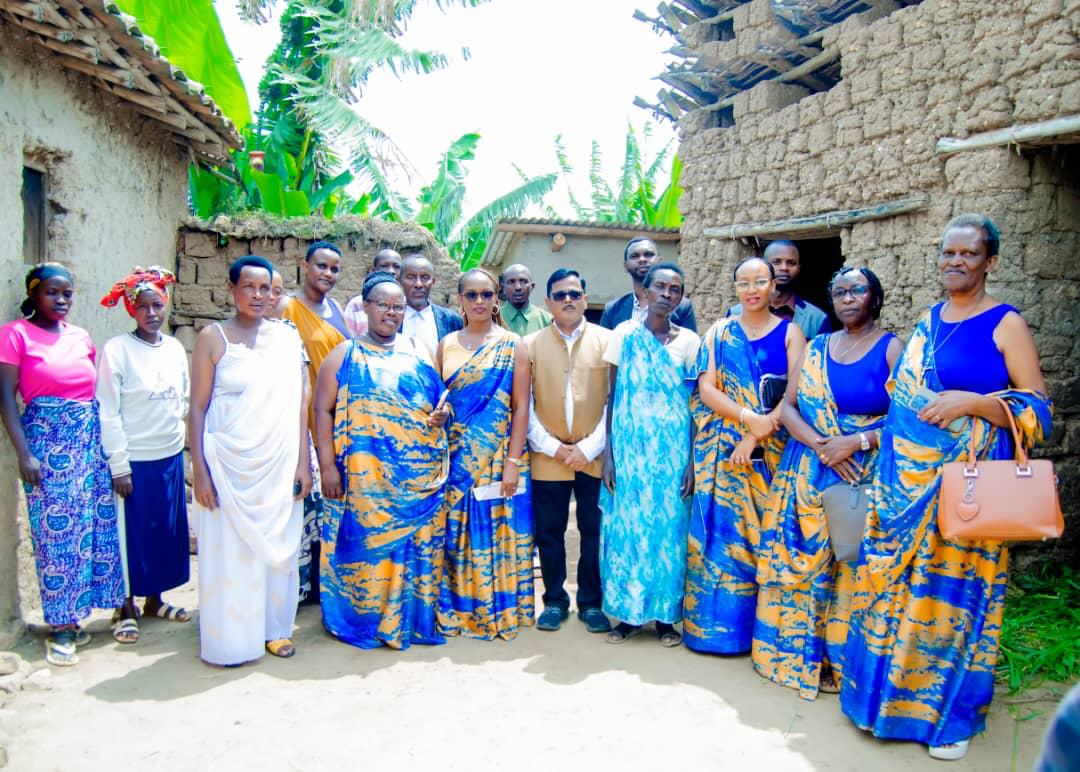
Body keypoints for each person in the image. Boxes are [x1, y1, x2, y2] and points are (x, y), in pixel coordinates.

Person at [840, 215, 1051, 761]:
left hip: (965, 493)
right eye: (948, 252)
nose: (955, 262)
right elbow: (903, 398)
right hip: (904, 490)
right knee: (896, 594)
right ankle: (884, 707)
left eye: (968, 253)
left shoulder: (1005, 324)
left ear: (990, 261)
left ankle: (948, 720)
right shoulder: (929, 320)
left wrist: (974, 403)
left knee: (952, 600)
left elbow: (1040, 410)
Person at [751, 266, 902, 699]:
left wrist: (855, 442)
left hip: (862, 474)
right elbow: (788, 407)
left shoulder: (892, 348)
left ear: (875, 298)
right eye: (839, 292)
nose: (847, 298)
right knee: (803, 566)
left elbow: (908, 418)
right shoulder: (817, 347)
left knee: (852, 567)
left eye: (857, 290)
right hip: (808, 472)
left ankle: (843, 663)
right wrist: (824, 446)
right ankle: (797, 659)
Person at [314, 272, 451, 650]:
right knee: (370, 554)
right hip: (365, 482)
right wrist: (327, 466)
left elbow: (440, 402)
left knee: (410, 551)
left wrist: (442, 415)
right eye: (383, 305)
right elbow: (321, 410)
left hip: (415, 479)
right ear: (366, 307)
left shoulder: (418, 351)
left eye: (398, 307)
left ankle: (407, 620)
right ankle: (366, 620)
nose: (391, 313)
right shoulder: (344, 354)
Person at [0, 263, 125, 666]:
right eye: (52, 292)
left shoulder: (80, 336)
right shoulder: (15, 335)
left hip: (88, 443)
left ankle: (81, 615)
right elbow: (5, 398)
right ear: (33, 293)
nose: (61, 300)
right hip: (47, 446)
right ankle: (60, 628)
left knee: (93, 530)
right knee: (56, 537)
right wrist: (25, 453)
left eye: (67, 293)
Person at [188, 256, 311, 666]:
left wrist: (303, 463)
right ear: (232, 289)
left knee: (276, 549)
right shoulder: (213, 338)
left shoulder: (287, 338)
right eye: (249, 287)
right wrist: (200, 472)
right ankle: (232, 640)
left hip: (278, 462)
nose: (258, 296)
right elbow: (197, 408)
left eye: (266, 288)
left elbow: (300, 403)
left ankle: (274, 630)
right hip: (227, 463)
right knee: (231, 551)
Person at [683, 256, 804, 655]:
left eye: (759, 281)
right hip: (722, 455)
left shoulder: (791, 334)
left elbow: (795, 394)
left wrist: (755, 435)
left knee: (763, 537)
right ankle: (711, 632)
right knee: (719, 539)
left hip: (770, 455)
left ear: (773, 285)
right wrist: (748, 418)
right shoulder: (719, 333)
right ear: (735, 288)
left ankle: (759, 635)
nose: (751, 290)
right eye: (743, 283)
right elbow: (706, 389)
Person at [600, 262, 700, 646]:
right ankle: (627, 616)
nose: (666, 294)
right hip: (630, 452)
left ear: (680, 298)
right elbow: (613, 397)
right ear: (644, 290)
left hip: (673, 454)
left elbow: (694, 405)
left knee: (669, 534)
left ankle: (664, 619)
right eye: (660, 286)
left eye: (675, 289)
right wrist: (609, 455)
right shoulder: (623, 336)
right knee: (628, 532)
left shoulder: (689, 342)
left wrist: (691, 462)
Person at [97, 267, 192, 645]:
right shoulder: (117, 350)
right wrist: (118, 464)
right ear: (130, 310)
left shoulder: (173, 348)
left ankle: (155, 600)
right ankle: (125, 607)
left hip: (168, 455)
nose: (151, 313)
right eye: (142, 307)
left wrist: (180, 444)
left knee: (164, 531)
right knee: (130, 535)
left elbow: (183, 397)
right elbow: (108, 410)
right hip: (134, 459)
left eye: (157, 305)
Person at [437, 268, 534, 640]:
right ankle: (461, 611)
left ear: (497, 299)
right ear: (459, 300)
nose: (479, 301)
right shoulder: (446, 344)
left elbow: (521, 408)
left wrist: (512, 463)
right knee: (458, 534)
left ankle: (499, 610)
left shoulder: (513, 345)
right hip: (456, 458)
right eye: (472, 295)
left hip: (498, 457)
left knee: (497, 533)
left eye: (486, 294)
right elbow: (440, 399)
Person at [524, 269, 611, 634]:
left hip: (595, 456)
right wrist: (554, 447)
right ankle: (555, 600)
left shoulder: (608, 341)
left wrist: (589, 448)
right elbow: (523, 404)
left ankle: (591, 603)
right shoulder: (529, 345)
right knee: (550, 531)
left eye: (574, 293)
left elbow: (615, 401)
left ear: (585, 298)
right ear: (548, 303)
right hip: (548, 455)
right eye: (560, 295)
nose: (568, 300)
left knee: (593, 530)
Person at [281, 240, 350, 605]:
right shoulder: (285, 307)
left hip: (334, 419)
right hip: (300, 418)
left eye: (334, 269)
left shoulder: (336, 309)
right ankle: (297, 586)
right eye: (321, 265)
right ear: (304, 265)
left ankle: (324, 583)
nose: (328, 273)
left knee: (329, 506)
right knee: (300, 503)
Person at [727, 241, 830, 340]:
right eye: (776, 262)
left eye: (791, 263)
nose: (784, 268)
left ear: (799, 268)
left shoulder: (816, 319)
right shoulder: (735, 313)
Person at [599, 238, 697, 332]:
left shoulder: (682, 307)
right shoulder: (612, 309)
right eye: (635, 256)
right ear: (626, 266)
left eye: (648, 254)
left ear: (659, 261)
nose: (642, 259)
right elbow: (604, 343)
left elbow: (688, 343)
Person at [400, 253, 464, 356]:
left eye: (425, 277)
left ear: (433, 281)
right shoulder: (391, 318)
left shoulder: (451, 320)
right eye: (411, 277)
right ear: (400, 280)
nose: (418, 284)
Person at [343, 248, 404, 337]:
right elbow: (348, 339)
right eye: (385, 265)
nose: (391, 271)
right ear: (373, 270)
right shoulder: (356, 305)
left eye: (396, 267)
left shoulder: (405, 305)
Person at [501, 263, 552, 337]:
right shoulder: (492, 319)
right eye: (511, 282)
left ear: (532, 287)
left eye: (523, 281)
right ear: (503, 288)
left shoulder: (547, 320)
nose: (518, 287)